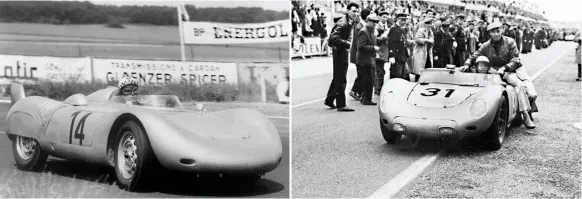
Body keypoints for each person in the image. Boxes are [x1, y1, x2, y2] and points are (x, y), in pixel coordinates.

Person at [459, 22, 535, 129]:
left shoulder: (510, 41)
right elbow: (474, 56)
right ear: (489, 33)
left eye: (498, 31)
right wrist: (467, 64)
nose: (496, 34)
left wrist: (505, 68)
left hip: (508, 71)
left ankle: (525, 115)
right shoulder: (486, 46)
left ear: (502, 31)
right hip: (493, 72)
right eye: (493, 32)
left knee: (519, 85)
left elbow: (516, 60)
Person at [325, 2, 359, 112]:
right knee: (341, 78)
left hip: (341, 50)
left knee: (338, 77)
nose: (356, 13)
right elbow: (334, 37)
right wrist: (347, 44)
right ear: (348, 11)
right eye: (354, 11)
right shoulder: (343, 22)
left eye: (357, 11)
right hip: (339, 51)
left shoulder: (350, 21)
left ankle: (329, 100)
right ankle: (341, 104)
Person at [356, 14, 380, 105]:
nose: (375, 23)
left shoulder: (371, 31)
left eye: (376, 22)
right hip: (364, 60)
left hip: (369, 59)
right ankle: (366, 99)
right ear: (368, 21)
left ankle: (366, 98)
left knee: (370, 79)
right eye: (373, 21)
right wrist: (373, 48)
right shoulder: (364, 31)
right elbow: (361, 47)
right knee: (368, 80)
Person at [349, 8, 371, 101]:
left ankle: (359, 91)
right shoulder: (359, 26)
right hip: (358, 54)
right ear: (366, 17)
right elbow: (360, 43)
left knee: (362, 73)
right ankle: (354, 90)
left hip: (361, 54)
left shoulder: (363, 25)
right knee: (361, 73)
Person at [387, 13, 412, 80]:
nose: (403, 22)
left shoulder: (401, 29)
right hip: (396, 56)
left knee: (404, 76)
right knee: (397, 76)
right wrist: (391, 55)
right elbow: (390, 43)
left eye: (405, 20)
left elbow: (404, 43)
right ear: (398, 19)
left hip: (402, 56)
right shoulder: (393, 29)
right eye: (402, 20)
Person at [411, 17, 434, 82]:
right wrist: (427, 40)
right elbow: (417, 39)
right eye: (428, 24)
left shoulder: (430, 31)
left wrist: (431, 41)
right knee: (419, 69)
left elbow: (432, 40)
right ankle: (417, 83)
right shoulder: (421, 30)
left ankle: (426, 82)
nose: (429, 25)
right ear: (425, 24)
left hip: (427, 52)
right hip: (420, 52)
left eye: (430, 24)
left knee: (427, 67)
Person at [375, 10, 391, 95]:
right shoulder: (377, 26)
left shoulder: (386, 26)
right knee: (380, 71)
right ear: (379, 17)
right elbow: (376, 39)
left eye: (386, 17)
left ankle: (378, 88)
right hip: (379, 50)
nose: (385, 19)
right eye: (383, 17)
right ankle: (378, 89)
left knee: (381, 71)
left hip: (383, 51)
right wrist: (385, 35)